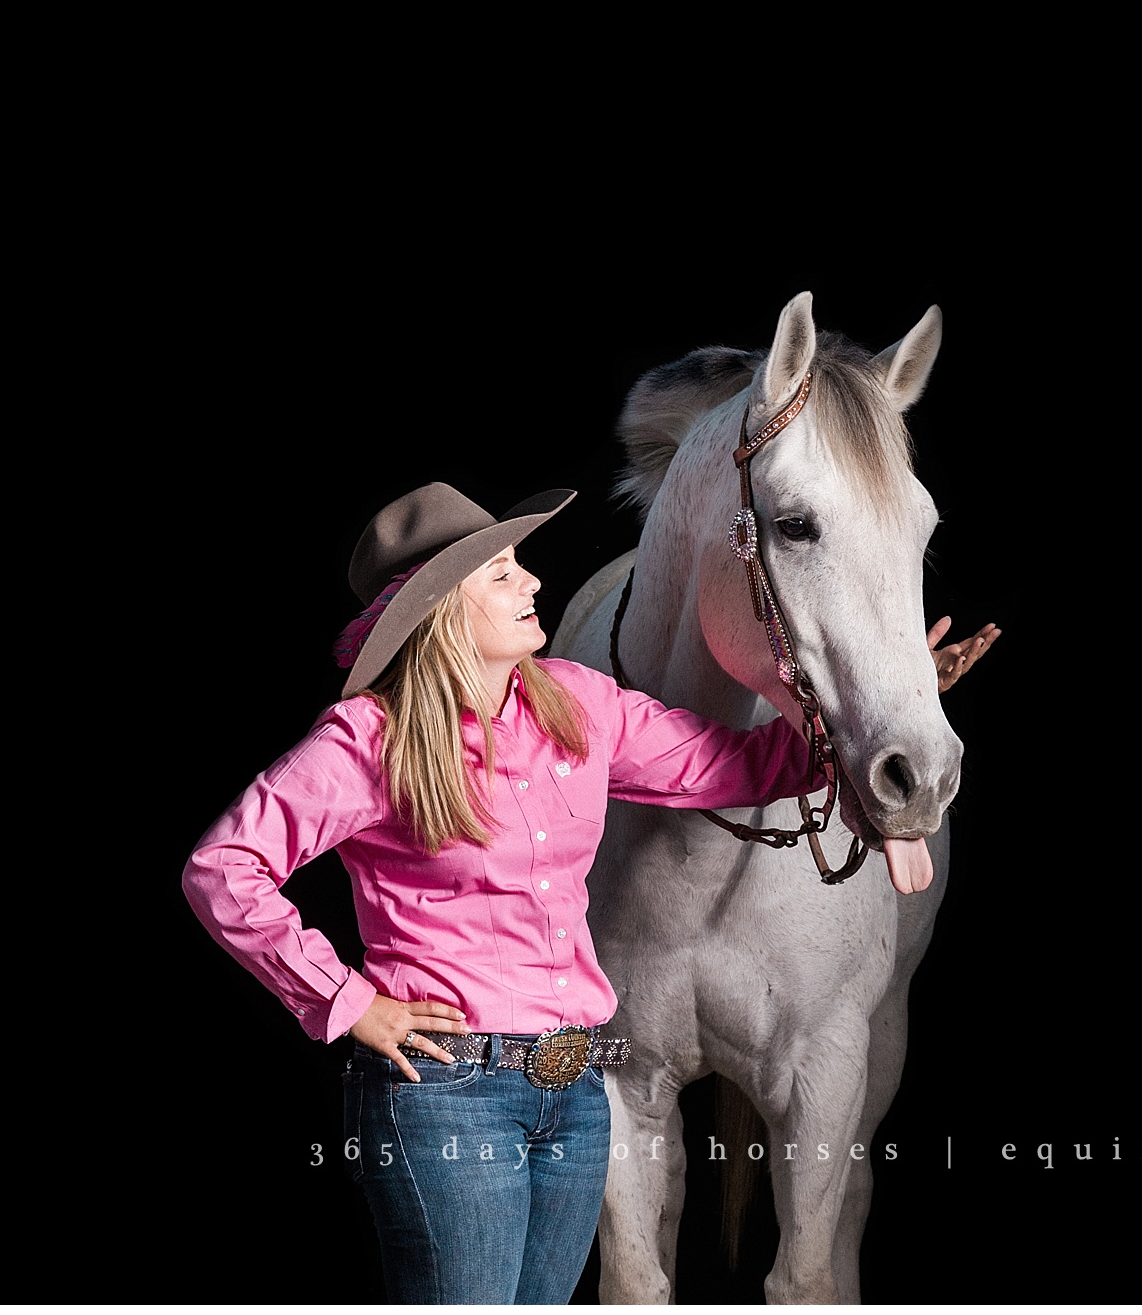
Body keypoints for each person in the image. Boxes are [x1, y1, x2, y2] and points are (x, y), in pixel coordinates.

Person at [182, 482, 997, 1305]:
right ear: (436, 612)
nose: (533, 583)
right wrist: (347, 1000)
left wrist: (892, 704)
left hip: (575, 1089)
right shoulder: (369, 740)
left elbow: (737, 766)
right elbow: (224, 868)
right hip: (449, 1093)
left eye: (519, 565)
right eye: (500, 575)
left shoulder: (577, 702)